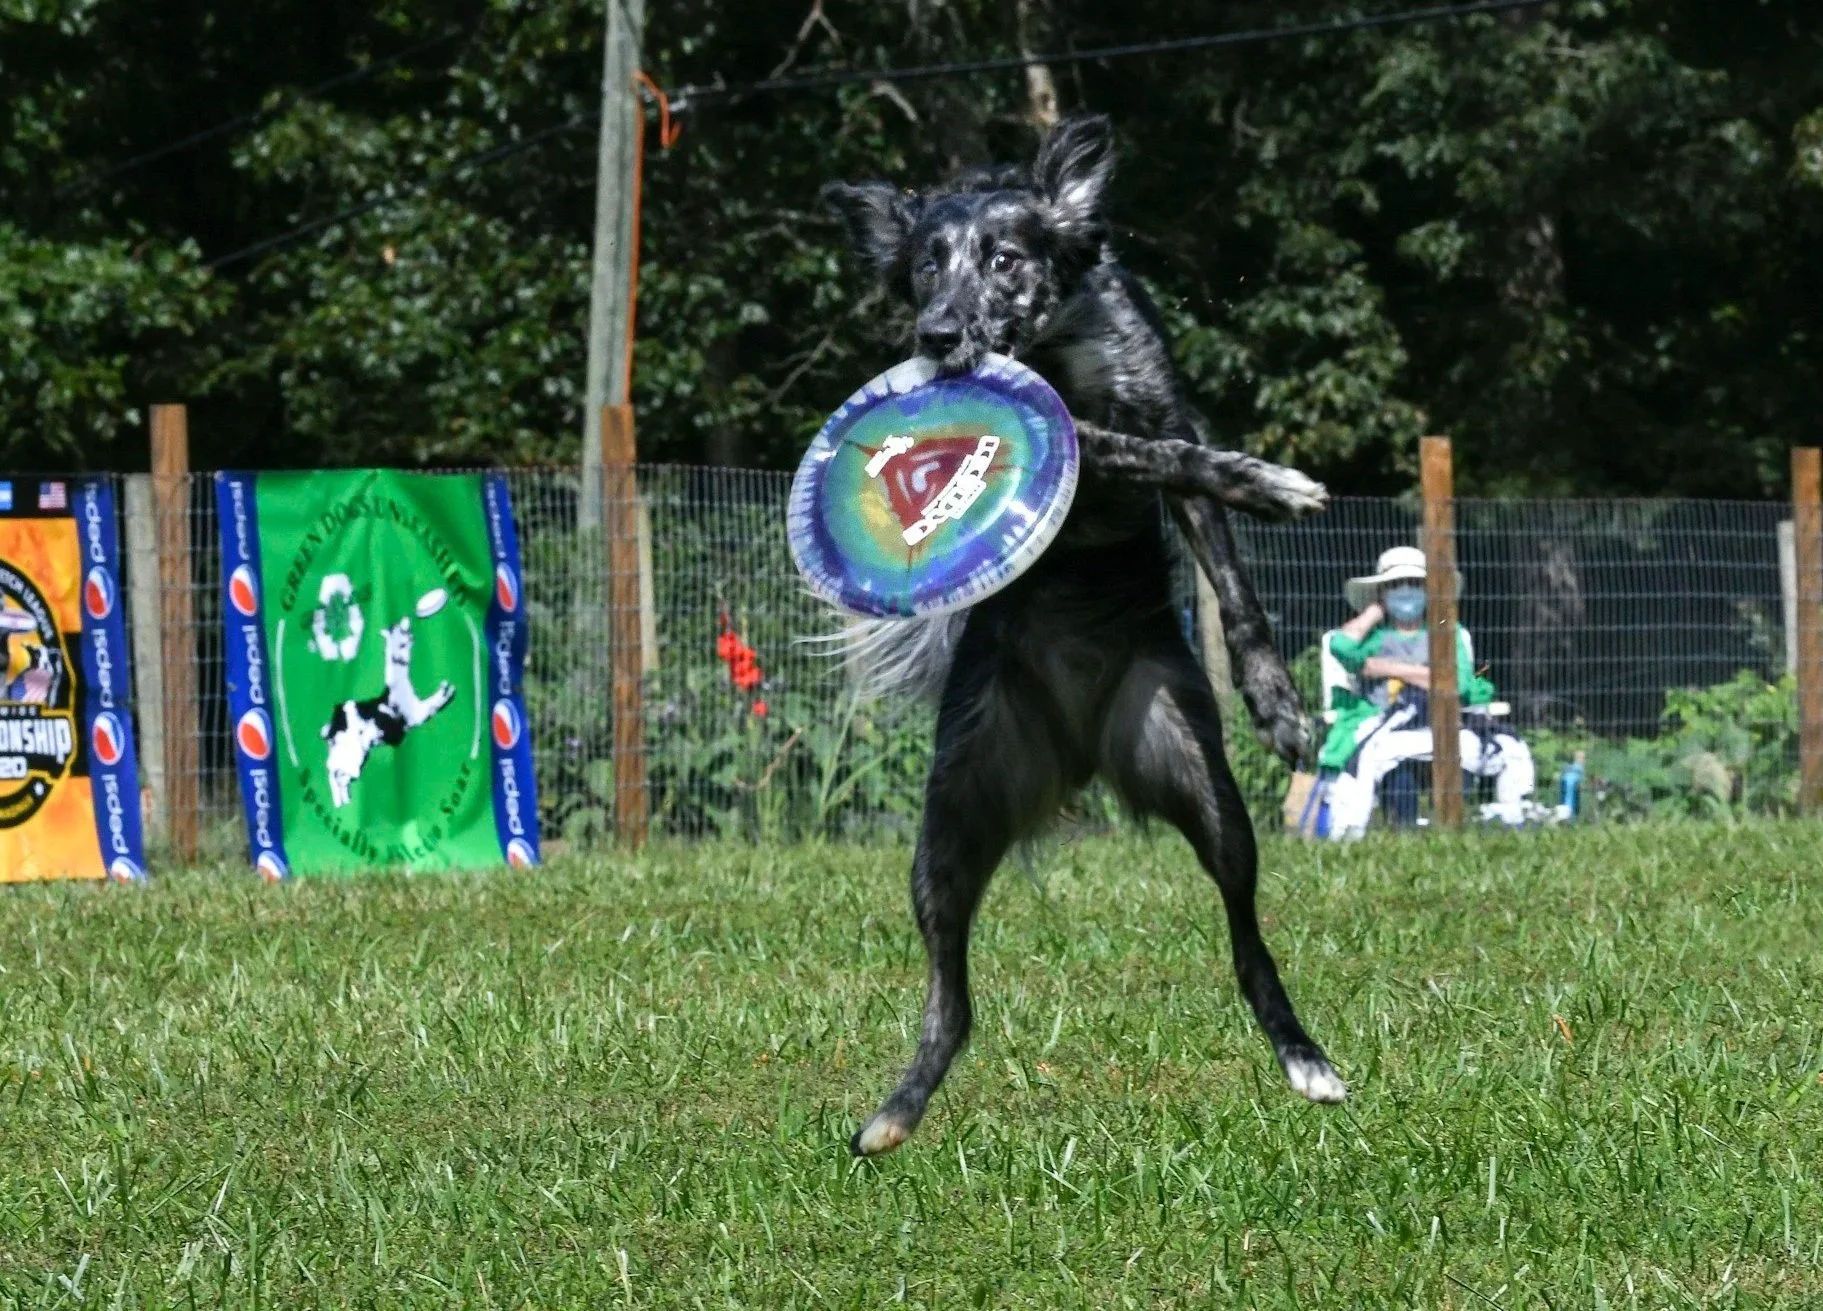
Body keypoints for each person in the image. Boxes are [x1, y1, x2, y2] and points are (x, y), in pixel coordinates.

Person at [1319, 546, 1537, 838]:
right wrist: (1374, 611)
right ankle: (1402, 833)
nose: (1406, 591)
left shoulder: (1449, 633)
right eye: (1396, 585)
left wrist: (1387, 668)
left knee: (1493, 751)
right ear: (1382, 592)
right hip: (1385, 725)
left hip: (1442, 724)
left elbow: (1457, 684)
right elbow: (1340, 646)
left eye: (1415, 584)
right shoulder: (1373, 637)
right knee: (1391, 766)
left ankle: (1468, 829)